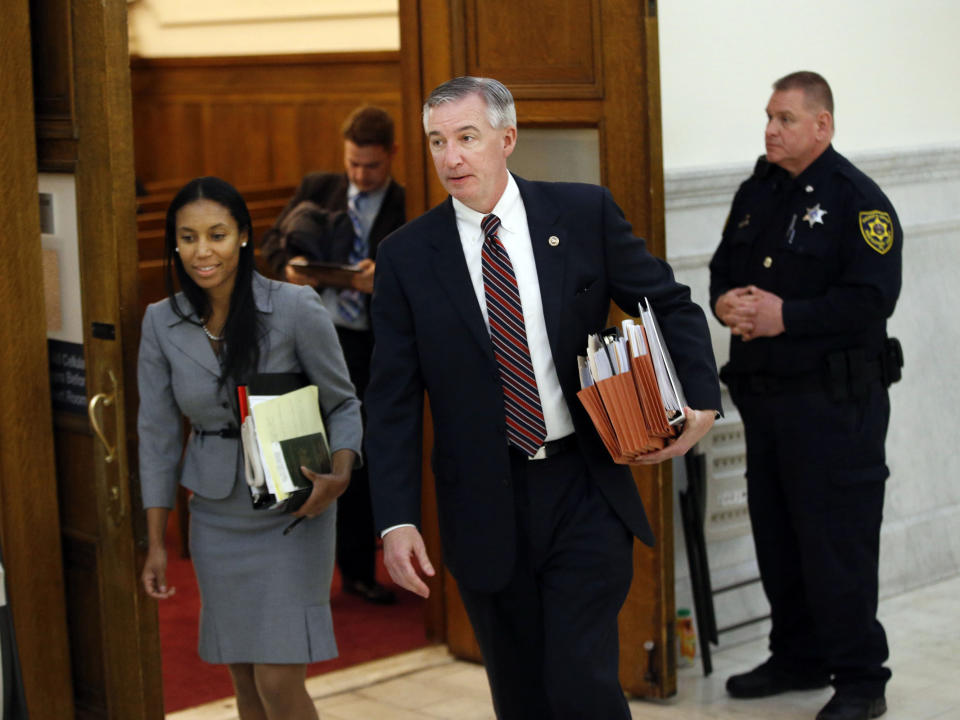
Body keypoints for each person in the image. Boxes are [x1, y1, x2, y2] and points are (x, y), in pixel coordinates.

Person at [364, 76, 722, 720]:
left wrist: (700, 401)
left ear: (507, 138)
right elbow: (390, 399)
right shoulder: (406, 256)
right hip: (482, 503)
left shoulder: (582, 214)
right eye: (438, 141)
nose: (452, 158)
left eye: (467, 138)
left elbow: (667, 302)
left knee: (581, 682)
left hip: (584, 485)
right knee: (522, 694)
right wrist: (396, 520)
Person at [709, 71, 902, 720]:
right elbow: (722, 270)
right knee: (780, 538)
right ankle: (795, 656)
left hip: (833, 407)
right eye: (768, 116)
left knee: (836, 546)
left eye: (785, 118)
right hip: (766, 402)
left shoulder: (857, 201)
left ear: (822, 125)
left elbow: (872, 299)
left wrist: (786, 317)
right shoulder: (757, 190)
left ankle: (860, 681)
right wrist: (725, 301)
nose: (770, 129)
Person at [138, 177, 362, 720]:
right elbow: (158, 433)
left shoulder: (294, 307)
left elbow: (344, 403)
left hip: (293, 512)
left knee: (278, 681)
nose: (202, 251)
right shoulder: (160, 322)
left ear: (242, 235)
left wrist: (340, 472)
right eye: (188, 238)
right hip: (216, 518)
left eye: (216, 234)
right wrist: (156, 542)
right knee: (244, 681)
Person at [262, 106, 405, 604]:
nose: (361, 176)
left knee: (353, 457)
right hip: (307, 338)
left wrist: (380, 281)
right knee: (295, 448)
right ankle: (291, 569)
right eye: (354, 165)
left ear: (391, 156)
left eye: (371, 166)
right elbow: (270, 246)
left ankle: (358, 573)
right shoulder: (318, 188)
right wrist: (291, 268)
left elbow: (424, 282)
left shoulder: (405, 206)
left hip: (364, 345)